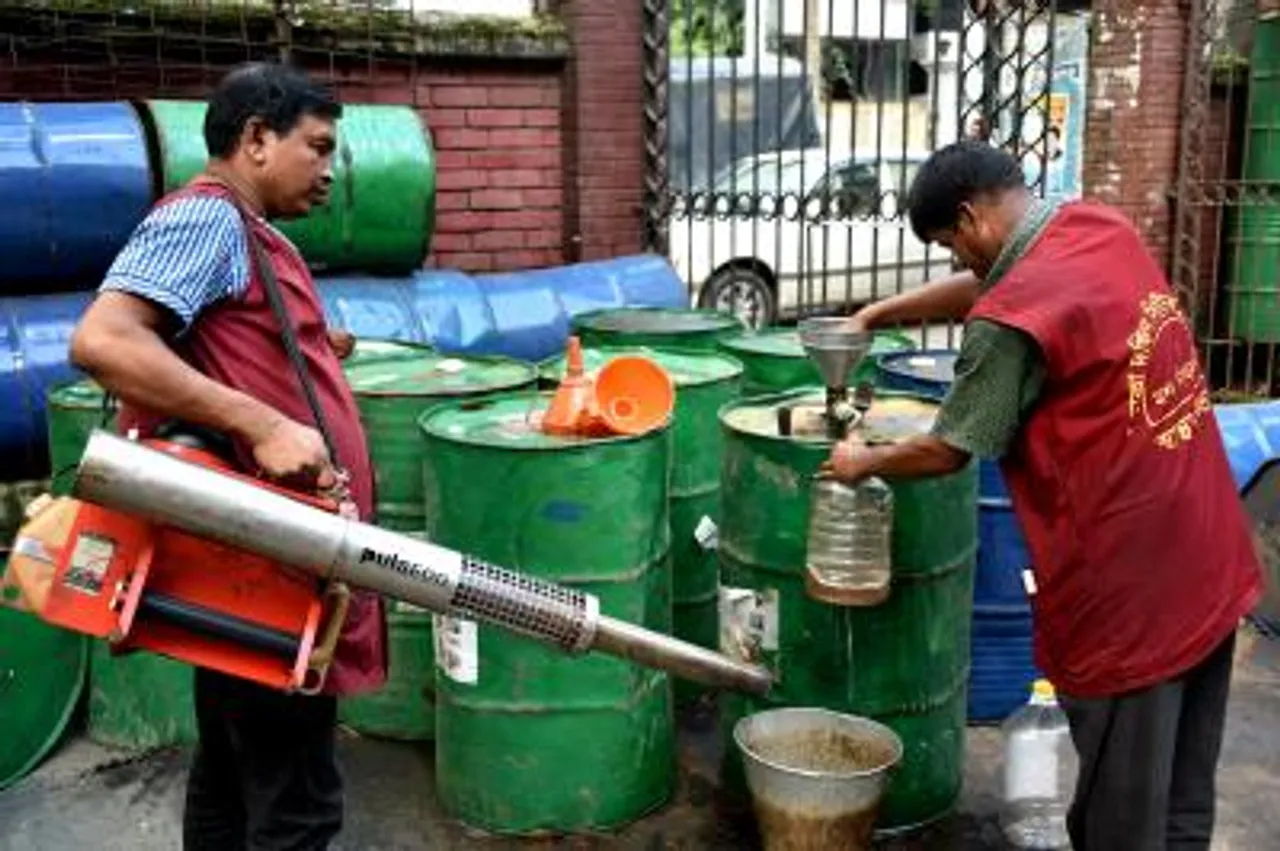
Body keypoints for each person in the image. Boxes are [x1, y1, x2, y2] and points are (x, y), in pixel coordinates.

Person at [831, 140, 1262, 851]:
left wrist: (858, 459)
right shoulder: (1095, 227)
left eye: (950, 245)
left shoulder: (1009, 323)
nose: (959, 263)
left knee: (1120, 819)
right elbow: (997, 284)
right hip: (1209, 555)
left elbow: (948, 448)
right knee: (1184, 795)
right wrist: (878, 313)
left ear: (969, 217)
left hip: (1134, 594)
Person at [69, 62, 387, 851]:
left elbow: (211, 338)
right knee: (296, 804)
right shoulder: (208, 219)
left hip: (255, 566)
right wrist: (262, 419)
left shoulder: (245, 233)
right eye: (317, 147)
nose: (330, 169)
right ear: (254, 139)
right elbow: (104, 340)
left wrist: (305, 347)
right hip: (267, 567)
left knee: (234, 772)